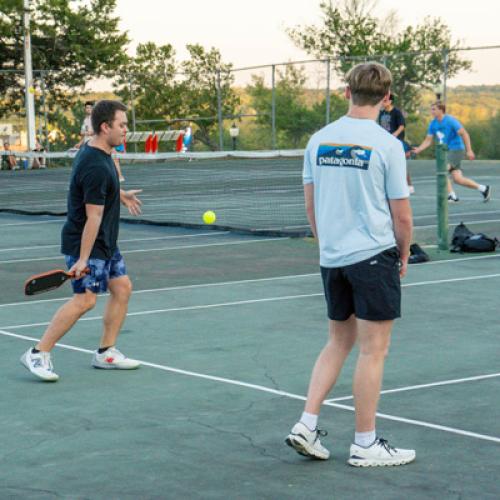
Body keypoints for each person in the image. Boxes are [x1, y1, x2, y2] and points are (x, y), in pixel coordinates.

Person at [285, 62, 415, 467]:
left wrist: (327, 247)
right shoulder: (388, 146)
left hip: (333, 258)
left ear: (346, 92)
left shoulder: (318, 140)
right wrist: (404, 252)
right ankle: (365, 443)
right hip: (373, 256)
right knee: (373, 351)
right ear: (386, 98)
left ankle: (307, 423)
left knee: (338, 341)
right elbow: (403, 216)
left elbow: (310, 204)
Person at [21, 100, 143, 382]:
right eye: (121, 125)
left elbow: (100, 189)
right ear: (105, 126)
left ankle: (105, 353)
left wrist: (120, 194)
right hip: (87, 243)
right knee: (85, 299)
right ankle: (38, 353)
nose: (125, 130)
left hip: (106, 242)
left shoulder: (100, 152)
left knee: (122, 288)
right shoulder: (95, 165)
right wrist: (83, 258)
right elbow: (93, 216)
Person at [413, 101, 490, 203]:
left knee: (442, 170)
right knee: (457, 179)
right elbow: (428, 140)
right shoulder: (433, 124)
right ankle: (483, 189)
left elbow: (465, 134)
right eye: (431, 109)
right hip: (446, 152)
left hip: (456, 149)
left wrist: (469, 150)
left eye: (434, 109)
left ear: (441, 110)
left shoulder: (450, 121)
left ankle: (452, 196)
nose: (432, 111)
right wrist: (418, 149)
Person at [378, 93, 414, 193]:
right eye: (382, 101)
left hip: (396, 142)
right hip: (384, 142)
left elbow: (402, 126)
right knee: (384, 163)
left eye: (384, 101)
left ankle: (409, 185)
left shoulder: (396, 112)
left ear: (390, 101)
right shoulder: (382, 113)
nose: (382, 103)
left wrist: (394, 135)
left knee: (400, 163)